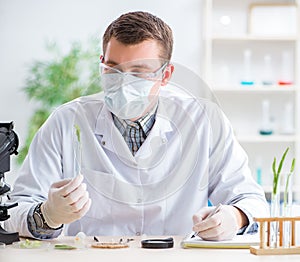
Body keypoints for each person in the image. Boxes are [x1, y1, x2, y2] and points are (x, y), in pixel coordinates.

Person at [4, 11, 269, 240]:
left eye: (139, 72)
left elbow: (253, 201)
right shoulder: (65, 121)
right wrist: (47, 215)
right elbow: (12, 213)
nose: (122, 82)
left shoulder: (204, 120)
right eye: (113, 68)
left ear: (165, 75)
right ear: (102, 64)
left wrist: (234, 218)